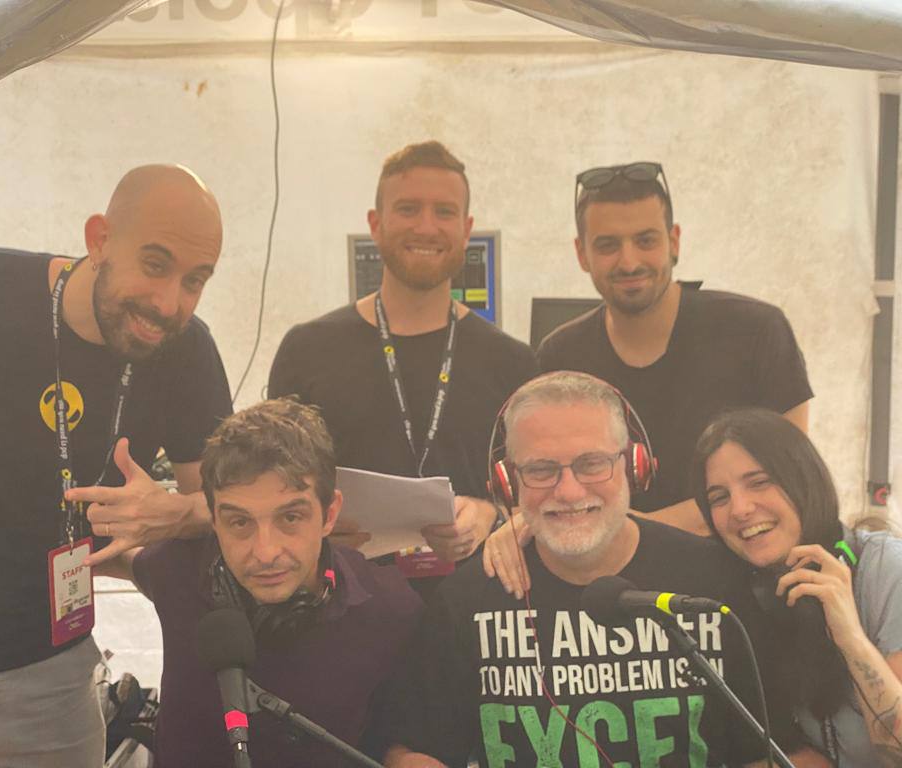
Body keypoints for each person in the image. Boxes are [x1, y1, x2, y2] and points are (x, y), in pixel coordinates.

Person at [0, 164, 232, 767]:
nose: (168, 302)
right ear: (99, 239)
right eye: (154, 264)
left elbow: (228, 506)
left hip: (54, 675)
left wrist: (174, 514)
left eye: (195, 281)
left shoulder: (186, 351)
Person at [385, 371, 808, 767]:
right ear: (508, 481)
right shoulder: (466, 601)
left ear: (634, 466)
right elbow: (413, 749)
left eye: (592, 463)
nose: (569, 492)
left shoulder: (716, 582)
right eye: (540, 470)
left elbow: (787, 753)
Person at [268, 140, 536, 592]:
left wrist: (490, 513)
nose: (426, 227)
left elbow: (540, 493)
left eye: (444, 212)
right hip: (341, 602)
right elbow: (272, 485)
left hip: (475, 603)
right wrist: (317, 523)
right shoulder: (307, 349)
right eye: (408, 209)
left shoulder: (513, 362)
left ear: (466, 229)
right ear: (376, 224)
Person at [98, 398, 423, 767]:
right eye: (240, 522)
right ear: (213, 521)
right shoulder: (178, 569)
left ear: (329, 514)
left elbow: (400, 736)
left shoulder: (391, 608)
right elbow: (101, 559)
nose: (265, 552)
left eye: (290, 518)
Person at [534, 161, 811, 536]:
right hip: (608, 567)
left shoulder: (757, 331)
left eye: (645, 240)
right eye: (608, 245)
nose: (629, 261)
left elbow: (792, 476)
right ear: (581, 254)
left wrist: (638, 533)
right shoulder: (560, 357)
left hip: (736, 563)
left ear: (674, 241)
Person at [693, 408, 902, 767]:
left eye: (759, 482)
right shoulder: (751, 593)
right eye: (719, 497)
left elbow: (897, 746)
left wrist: (850, 635)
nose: (739, 509)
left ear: (804, 479)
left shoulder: (886, 569)